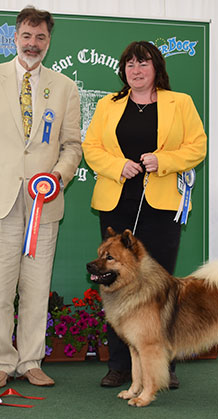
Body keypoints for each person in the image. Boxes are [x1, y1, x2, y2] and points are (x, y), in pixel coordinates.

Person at [82, 41, 207, 389]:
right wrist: (117, 165)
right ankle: (120, 365)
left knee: (162, 289)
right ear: (123, 71)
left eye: (144, 64)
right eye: (130, 65)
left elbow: (197, 145)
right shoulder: (109, 104)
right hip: (117, 203)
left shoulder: (180, 103)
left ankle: (164, 363)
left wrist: (163, 161)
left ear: (157, 69)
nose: (136, 71)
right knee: (114, 284)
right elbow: (91, 146)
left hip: (162, 206)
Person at [0, 7, 82, 388]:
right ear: (15, 37)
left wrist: (58, 176)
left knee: (35, 289)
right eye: (27, 36)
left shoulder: (65, 87)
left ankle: (31, 360)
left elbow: (71, 146)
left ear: (49, 42)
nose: (33, 44)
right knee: (0, 289)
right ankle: (2, 361)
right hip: (2, 203)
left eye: (41, 38)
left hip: (43, 205)